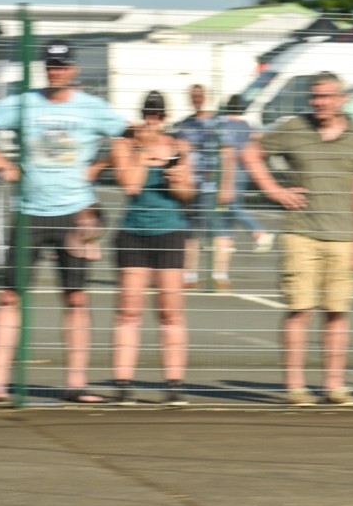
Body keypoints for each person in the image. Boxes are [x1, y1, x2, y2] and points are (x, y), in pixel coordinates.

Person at [0, 40, 129, 404]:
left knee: (77, 298)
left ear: (75, 70)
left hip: (79, 214)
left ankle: (77, 384)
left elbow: (129, 136)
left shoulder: (93, 108)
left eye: (63, 65)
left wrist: (98, 167)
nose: (57, 71)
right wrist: (3, 164)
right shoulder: (23, 103)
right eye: (51, 65)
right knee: (9, 296)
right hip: (30, 212)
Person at [239, 71, 353, 406]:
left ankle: (334, 386)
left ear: (340, 98)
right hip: (301, 233)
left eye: (327, 96)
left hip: (343, 237)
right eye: (315, 96)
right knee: (300, 309)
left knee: (337, 312)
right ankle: (295, 387)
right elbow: (249, 152)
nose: (320, 102)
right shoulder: (293, 128)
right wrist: (275, 191)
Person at [109, 91, 195, 406]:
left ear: (165, 116)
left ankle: (173, 384)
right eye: (148, 113)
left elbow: (188, 194)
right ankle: (123, 383)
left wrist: (178, 179)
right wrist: (143, 150)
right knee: (129, 310)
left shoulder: (179, 146)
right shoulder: (124, 145)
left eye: (158, 114)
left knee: (170, 311)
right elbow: (130, 184)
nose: (152, 119)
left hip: (170, 231)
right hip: (134, 232)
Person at [171, 84, 232, 290]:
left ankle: (220, 275)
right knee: (191, 233)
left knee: (219, 231)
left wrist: (226, 185)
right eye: (193, 96)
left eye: (200, 95)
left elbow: (228, 156)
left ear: (207, 97)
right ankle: (190, 276)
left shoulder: (217, 124)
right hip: (190, 187)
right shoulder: (185, 125)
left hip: (212, 188)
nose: (197, 99)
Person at [216, 94, 271, 253]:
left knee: (230, 206)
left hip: (227, 170)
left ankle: (259, 232)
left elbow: (226, 152)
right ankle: (226, 241)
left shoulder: (223, 125)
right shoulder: (247, 125)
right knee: (227, 210)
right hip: (243, 171)